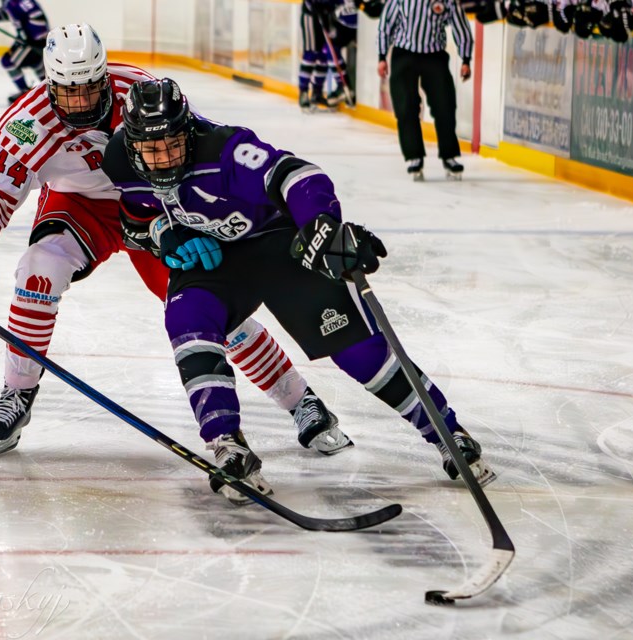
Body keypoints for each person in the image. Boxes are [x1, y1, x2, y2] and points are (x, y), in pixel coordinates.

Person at [0, 24, 350, 460]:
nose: (78, 104)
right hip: (80, 206)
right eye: (67, 93)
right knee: (39, 267)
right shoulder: (26, 124)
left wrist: (192, 220)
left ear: (104, 77)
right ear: (49, 84)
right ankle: (17, 394)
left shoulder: (141, 90)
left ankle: (300, 399)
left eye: (89, 90)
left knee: (213, 299)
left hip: (154, 203)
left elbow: (197, 147)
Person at [102, 78, 497, 504]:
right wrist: (162, 235)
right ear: (133, 143)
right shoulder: (119, 160)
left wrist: (320, 225)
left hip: (279, 247)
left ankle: (445, 430)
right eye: (152, 150)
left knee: (358, 352)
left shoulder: (226, 150)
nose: (163, 160)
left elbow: (298, 175)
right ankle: (227, 445)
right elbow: (133, 216)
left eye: (173, 146)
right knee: (186, 319)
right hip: (216, 263)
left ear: (189, 131)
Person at [377, 0, 473, 181]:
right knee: (406, 107)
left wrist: (466, 59)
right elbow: (385, 25)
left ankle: (449, 156)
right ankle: (414, 156)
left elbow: (461, 26)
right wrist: (382, 56)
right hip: (404, 54)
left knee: (445, 105)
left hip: (434, 56)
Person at [0, 0, 50, 103]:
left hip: (32, 41)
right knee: (36, 64)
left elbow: (36, 17)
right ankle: (52, 92)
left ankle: (25, 93)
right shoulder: (11, 2)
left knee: (8, 61)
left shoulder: (14, 2)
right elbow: (9, 13)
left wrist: (36, 39)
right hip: (33, 40)